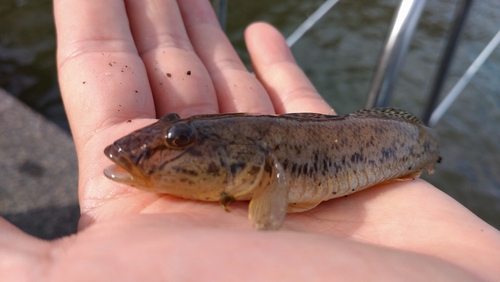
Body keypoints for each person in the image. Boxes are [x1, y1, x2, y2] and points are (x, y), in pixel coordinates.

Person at [1, 1, 499, 280]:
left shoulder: (267, 173)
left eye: (178, 139)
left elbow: (270, 208)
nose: (168, 145)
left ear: (258, 169)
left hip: (409, 143)